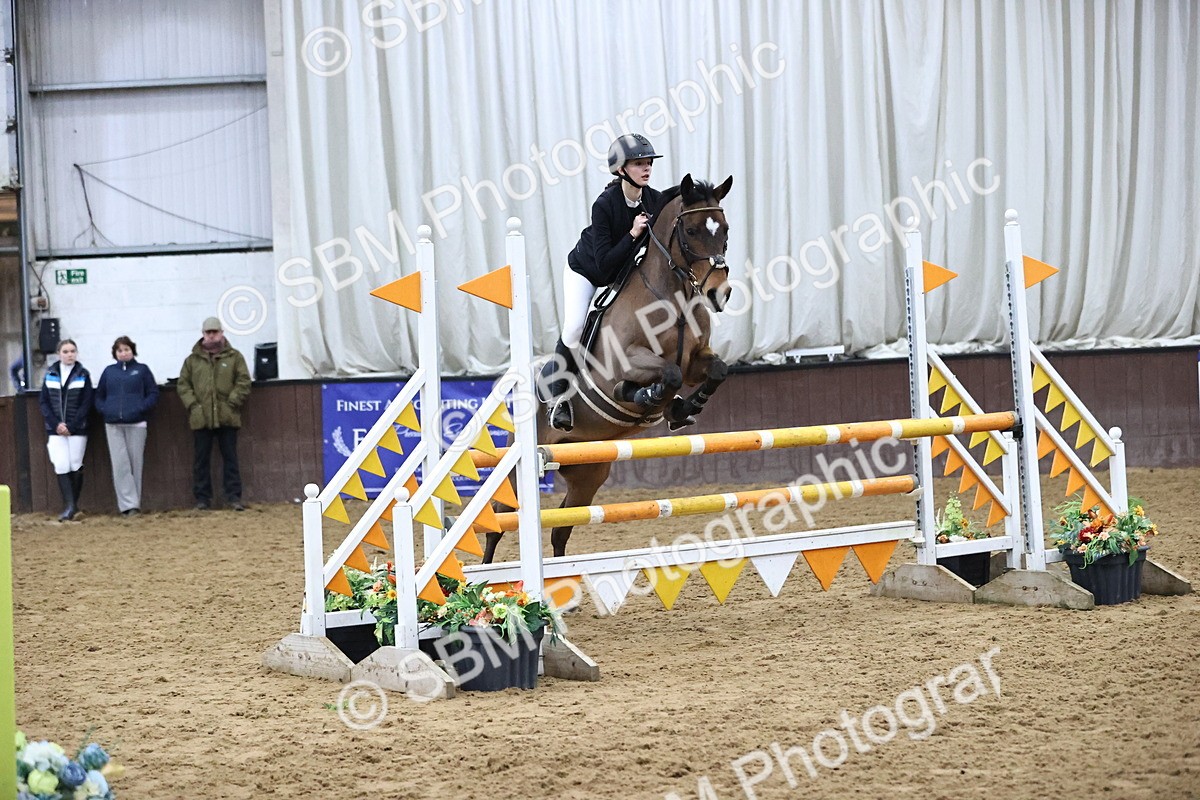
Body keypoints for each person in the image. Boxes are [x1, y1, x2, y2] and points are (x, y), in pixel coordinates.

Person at [539, 133, 665, 431]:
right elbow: (605, 264)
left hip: (624, 272)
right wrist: (633, 234)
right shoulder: (605, 205)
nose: (646, 169)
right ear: (621, 169)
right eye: (638, 164)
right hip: (588, 271)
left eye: (648, 163)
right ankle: (558, 397)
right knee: (575, 327)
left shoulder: (654, 199)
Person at [178, 316, 251, 511]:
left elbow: (243, 381)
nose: (212, 336)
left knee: (231, 459)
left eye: (215, 332)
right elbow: (183, 385)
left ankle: (233, 498)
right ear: (203, 334)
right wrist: (194, 406)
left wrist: (232, 402)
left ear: (221, 333)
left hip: (228, 416)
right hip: (201, 418)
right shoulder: (191, 361)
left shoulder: (235, 357)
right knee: (201, 461)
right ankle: (202, 499)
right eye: (208, 332)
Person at [95, 336, 159, 516]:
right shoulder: (109, 372)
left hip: (137, 423)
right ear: (115, 353)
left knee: (135, 464)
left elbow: (153, 393)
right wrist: (105, 410)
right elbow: (99, 396)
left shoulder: (142, 370)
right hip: (113, 424)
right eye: (120, 350)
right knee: (120, 465)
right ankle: (127, 505)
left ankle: (134, 503)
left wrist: (141, 409)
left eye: (126, 350)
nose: (123, 353)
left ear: (133, 351)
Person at [37, 339, 94, 521]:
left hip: (77, 429)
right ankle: (71, 506)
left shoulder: (83, 374)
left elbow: (86, 403)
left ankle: (71, 506)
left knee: (75, 464)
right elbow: (44, 402)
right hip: (55, 429)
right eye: (66, 351)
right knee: (61, 464)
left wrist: (72, 425)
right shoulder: (50, 373)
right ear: (59, 354)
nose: (70, 354)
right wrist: (56, 424)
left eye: (72, 351)